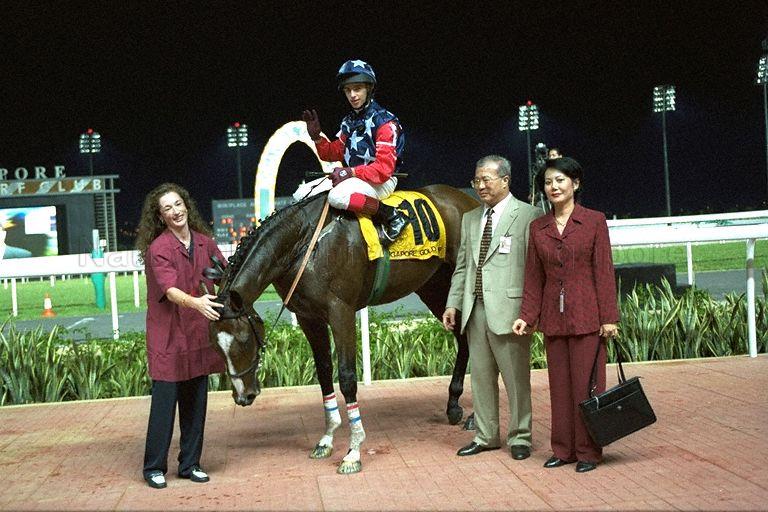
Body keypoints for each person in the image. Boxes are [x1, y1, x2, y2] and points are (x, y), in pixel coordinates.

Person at [512, 157, 619, 473]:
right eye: (548, 182)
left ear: (575, 183)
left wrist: (609, 318)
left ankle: (588, 452)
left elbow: (604, 272)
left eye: (560, 180)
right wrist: (527, 316)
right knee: (559, 388)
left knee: (587, 387)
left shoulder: (594, 221)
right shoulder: (538, 227)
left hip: (588, 317)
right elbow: (534, 277)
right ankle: (563, 449)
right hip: (553, 320)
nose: (553, 187)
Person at [442, 155, 542, 461]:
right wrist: (453, 303)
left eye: (486, 179)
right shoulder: (471, 218)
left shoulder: (528, 215)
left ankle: (520, 436)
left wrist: (530, 311)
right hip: (475, 310)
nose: (480, 186)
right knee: (481, 380)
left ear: (505, 180)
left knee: (516, 380)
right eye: (477, 180)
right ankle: (486, 436)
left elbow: (536, 271)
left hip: (511, 313)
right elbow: (463, 266)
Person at [135, 183, 225, 489]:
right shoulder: (159, 249)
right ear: (160, 217)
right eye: (167, 208)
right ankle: (153, 467)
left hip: (198, 334)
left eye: (178, 204)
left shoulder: (205, 243)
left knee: (196, 404)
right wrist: (198, 302)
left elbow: (225, 273)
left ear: (186, 205)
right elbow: (170, 290)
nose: (175, 211)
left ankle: (190, 464)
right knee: (164, 406)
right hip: (169, 336)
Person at [301, 59, 407, 246]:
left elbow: (383, 170)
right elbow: (333, 152)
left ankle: (392, 216)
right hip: (356, 179)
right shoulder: (349, 121)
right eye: (348, 90)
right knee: (301, 194)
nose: (352, 95)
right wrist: (317, 137)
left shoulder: (385, 122)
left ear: (369, 88)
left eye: (357, 89)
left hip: (382, 181)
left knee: (337, 196)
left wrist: (349, 172)